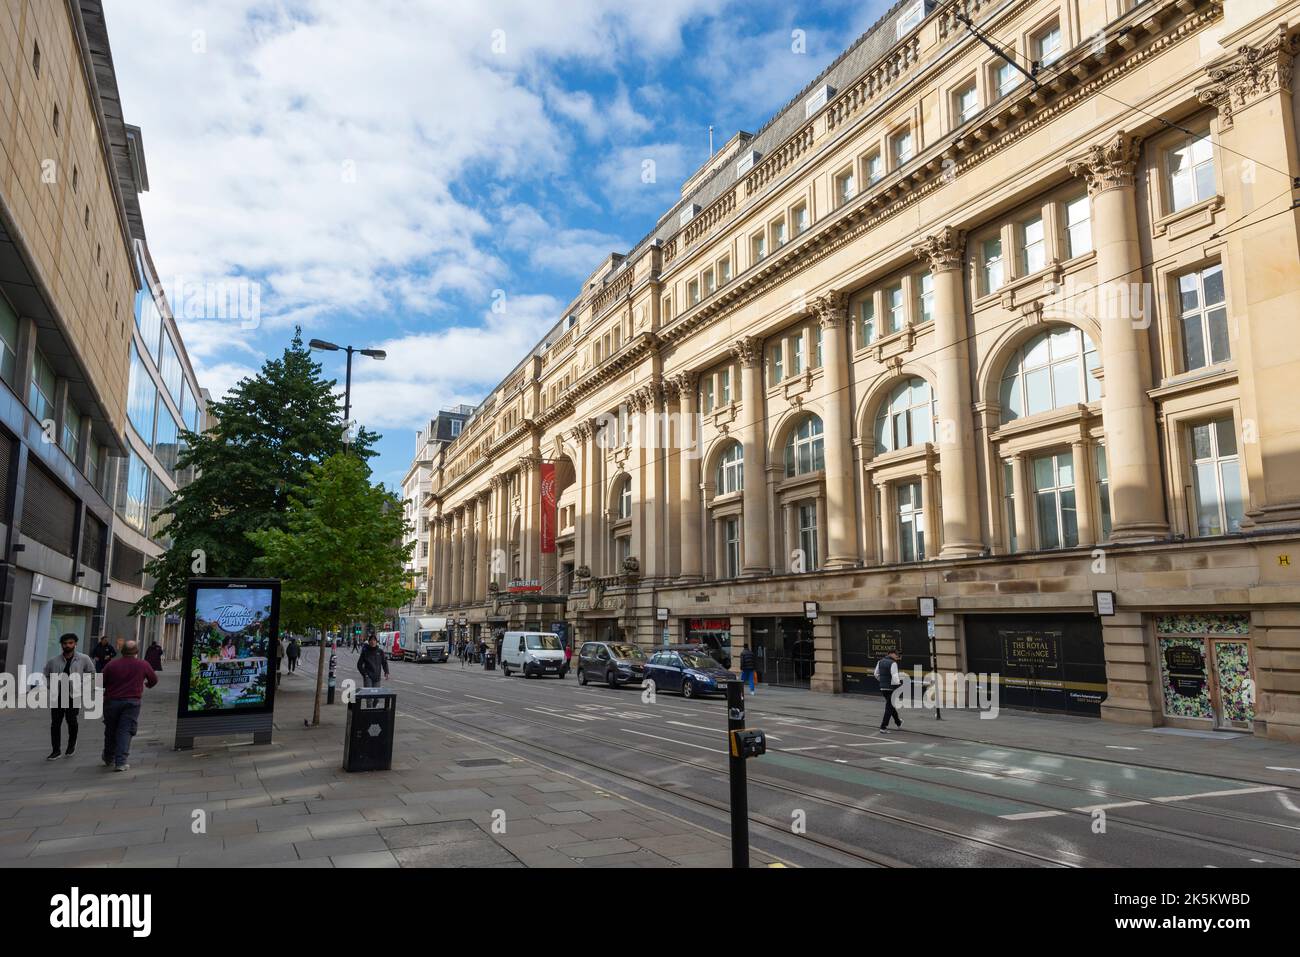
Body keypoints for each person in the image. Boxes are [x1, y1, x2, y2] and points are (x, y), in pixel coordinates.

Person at [101, 640, 158, 772]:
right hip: (132, 702)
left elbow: (100, 682)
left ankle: (108, 757)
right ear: (137, 652)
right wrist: (147, 685)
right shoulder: (143, 664)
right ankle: (120, 762)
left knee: (110, 729)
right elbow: (153, 679)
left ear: (122, 651)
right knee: (125, 731)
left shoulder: (112, 664)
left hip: (112, 701)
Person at [42, 633, 95, 760]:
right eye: (65, 643)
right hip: (58, 695)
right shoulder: (53, 661)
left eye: (70, 643)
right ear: (61, 645)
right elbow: (45, 675)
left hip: (74, 694)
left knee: (71, 720)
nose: (67, 645)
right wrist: (51, 685)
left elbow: (92, 673)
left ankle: (71, 744)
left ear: (75, 644)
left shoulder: (84, 659)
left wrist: (83, 686)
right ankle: (56, 750)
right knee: (55, 723)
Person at [876, 649, 903, 733]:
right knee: (889, 707)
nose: (897, 656)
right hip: (891, 688)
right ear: (891, 654)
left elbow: (876, 674)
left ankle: (898, 722)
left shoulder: (880, 662)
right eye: (896, 654)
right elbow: (895, 677)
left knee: (890, 706)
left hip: (883, 688)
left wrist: (883, 681)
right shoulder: (893, 663)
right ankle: (883, 727)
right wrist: (898, 684)